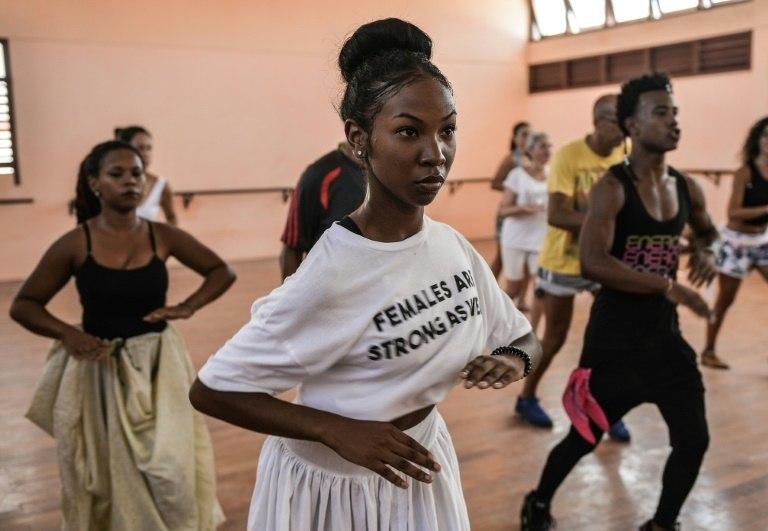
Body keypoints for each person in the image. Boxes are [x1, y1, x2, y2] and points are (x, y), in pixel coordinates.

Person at [188, 18, 541, 531]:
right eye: (407, 131)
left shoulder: (451, 246)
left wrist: (512, 361)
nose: (434, 153)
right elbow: (211, 390)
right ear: (359, 140)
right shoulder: (331, 273)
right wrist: (336, 431)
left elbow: (524, 337)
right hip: (333, 486)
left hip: (418, 464)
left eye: (447, 130)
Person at [520, 73, 718, 531]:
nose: (673, 123)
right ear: (631, 124)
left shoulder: (687, 188)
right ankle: (538, 502)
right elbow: (592, 263)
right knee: (583, 439)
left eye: (676, 113)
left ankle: (661, 523)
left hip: (665, 341)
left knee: (694, 439)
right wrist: (668, 286)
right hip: (615, 344)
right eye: (661, 113)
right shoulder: (611, 187)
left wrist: (706, 250)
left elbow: (707, 232)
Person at [10, 140, 235, 530]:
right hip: (102, 369)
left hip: (159, 364)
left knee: (171, 464)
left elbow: (220, 271)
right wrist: (68, 334)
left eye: (136, 173)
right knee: (112, 467)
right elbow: (24, 303)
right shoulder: (76, 243)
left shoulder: (161, 236)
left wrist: (188, 305)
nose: (131, 182)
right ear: (95, 183)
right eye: (117, 174)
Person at [516, 94, 631, 444]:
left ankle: (604, 407)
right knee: (554, 338)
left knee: (613, 339)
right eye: (616, 120)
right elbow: (558, 215)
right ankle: (526, 397)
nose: (625, 127)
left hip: (602, 260)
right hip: (563, 260)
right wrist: (606, 223)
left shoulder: (623, 155)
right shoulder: (569, 156)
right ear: (598, 122)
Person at [701, 116, 768, 369]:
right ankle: (708, 351)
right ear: (758, 139)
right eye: (765, 135)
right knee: (725, 299)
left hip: (762, 241)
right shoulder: (745, 172)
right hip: (736, 243)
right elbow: (734, 213)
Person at [279, 142, 365, 280]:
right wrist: (295, 300)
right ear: (352, 130)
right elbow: (292, 250)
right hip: (334, 296)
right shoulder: (319, 175)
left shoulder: (397, 177)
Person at [498, 131, 551, 333]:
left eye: (550, 146)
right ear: (530, 150)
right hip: (515, 240)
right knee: (513, 288)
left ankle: (533, 332)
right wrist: (524, 209)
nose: (548, 151)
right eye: (543, 146)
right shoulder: (517, 176)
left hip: (541, 240)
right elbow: (504, 210)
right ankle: (498, 324)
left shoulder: (553, 174)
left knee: (541, 289)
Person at [490, 122, 530, 286]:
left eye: (530, 134)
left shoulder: (531, 157)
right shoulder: (510, 159)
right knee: (501, 257)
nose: (527, 138)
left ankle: (521, 300)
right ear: (515, 138)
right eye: (524, 134)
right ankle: (485, 290)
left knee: (527, 257)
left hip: (525, 215)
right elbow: (495, 183)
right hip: (508, 215)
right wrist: (515, 191)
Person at [115, 126, 178, 225]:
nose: (145, 153)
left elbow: (172, 217)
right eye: (140, 148)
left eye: (149, 148)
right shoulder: (111, 183)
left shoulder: (160, 185)